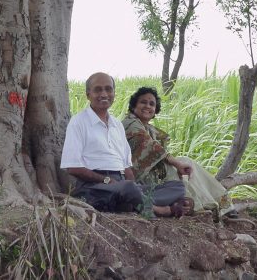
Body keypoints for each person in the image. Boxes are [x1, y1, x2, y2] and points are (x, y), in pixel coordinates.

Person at [61, 72, 189, 217]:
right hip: (94, 187)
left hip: (121, 184)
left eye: (108, 89)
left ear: (114, 94)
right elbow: (72, 168)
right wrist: (106, 180)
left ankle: (133, 202)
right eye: (98, 89)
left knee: (177, 187)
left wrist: (134, 187)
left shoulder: (117, 125)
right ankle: (159, 209)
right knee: (127, 188)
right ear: (88, 94)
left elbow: (127, 168)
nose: (104, 94)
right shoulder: (79, 122)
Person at [122, 87, 238, 218]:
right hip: (136, 180)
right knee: (181, 166)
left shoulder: (148, 128)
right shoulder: (129, 123)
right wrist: (176, 164)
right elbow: (150, 146)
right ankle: (214, 207)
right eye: (143, 102)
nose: (147, 106)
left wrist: (178, 164)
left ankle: (221, 205)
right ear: (134, 106)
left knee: (186, 164)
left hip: (152, 176)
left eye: (152, 104)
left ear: (155, 110)